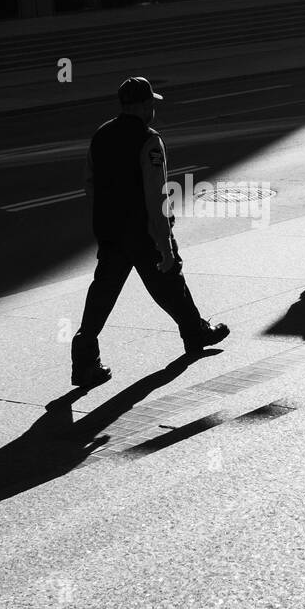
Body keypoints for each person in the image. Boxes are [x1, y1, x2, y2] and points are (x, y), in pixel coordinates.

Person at [70, 77, 229, 387]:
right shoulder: (148, 139)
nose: (153, 109)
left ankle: (84, 354)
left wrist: (107, 216)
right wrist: (165, 244)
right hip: (141, 232)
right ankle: (195, 333)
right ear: (143, 106)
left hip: (111, 230)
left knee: (104, 290)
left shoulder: (100, 135)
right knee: (169, 278)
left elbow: (90, 184)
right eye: (151, 104)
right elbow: (155, 195)